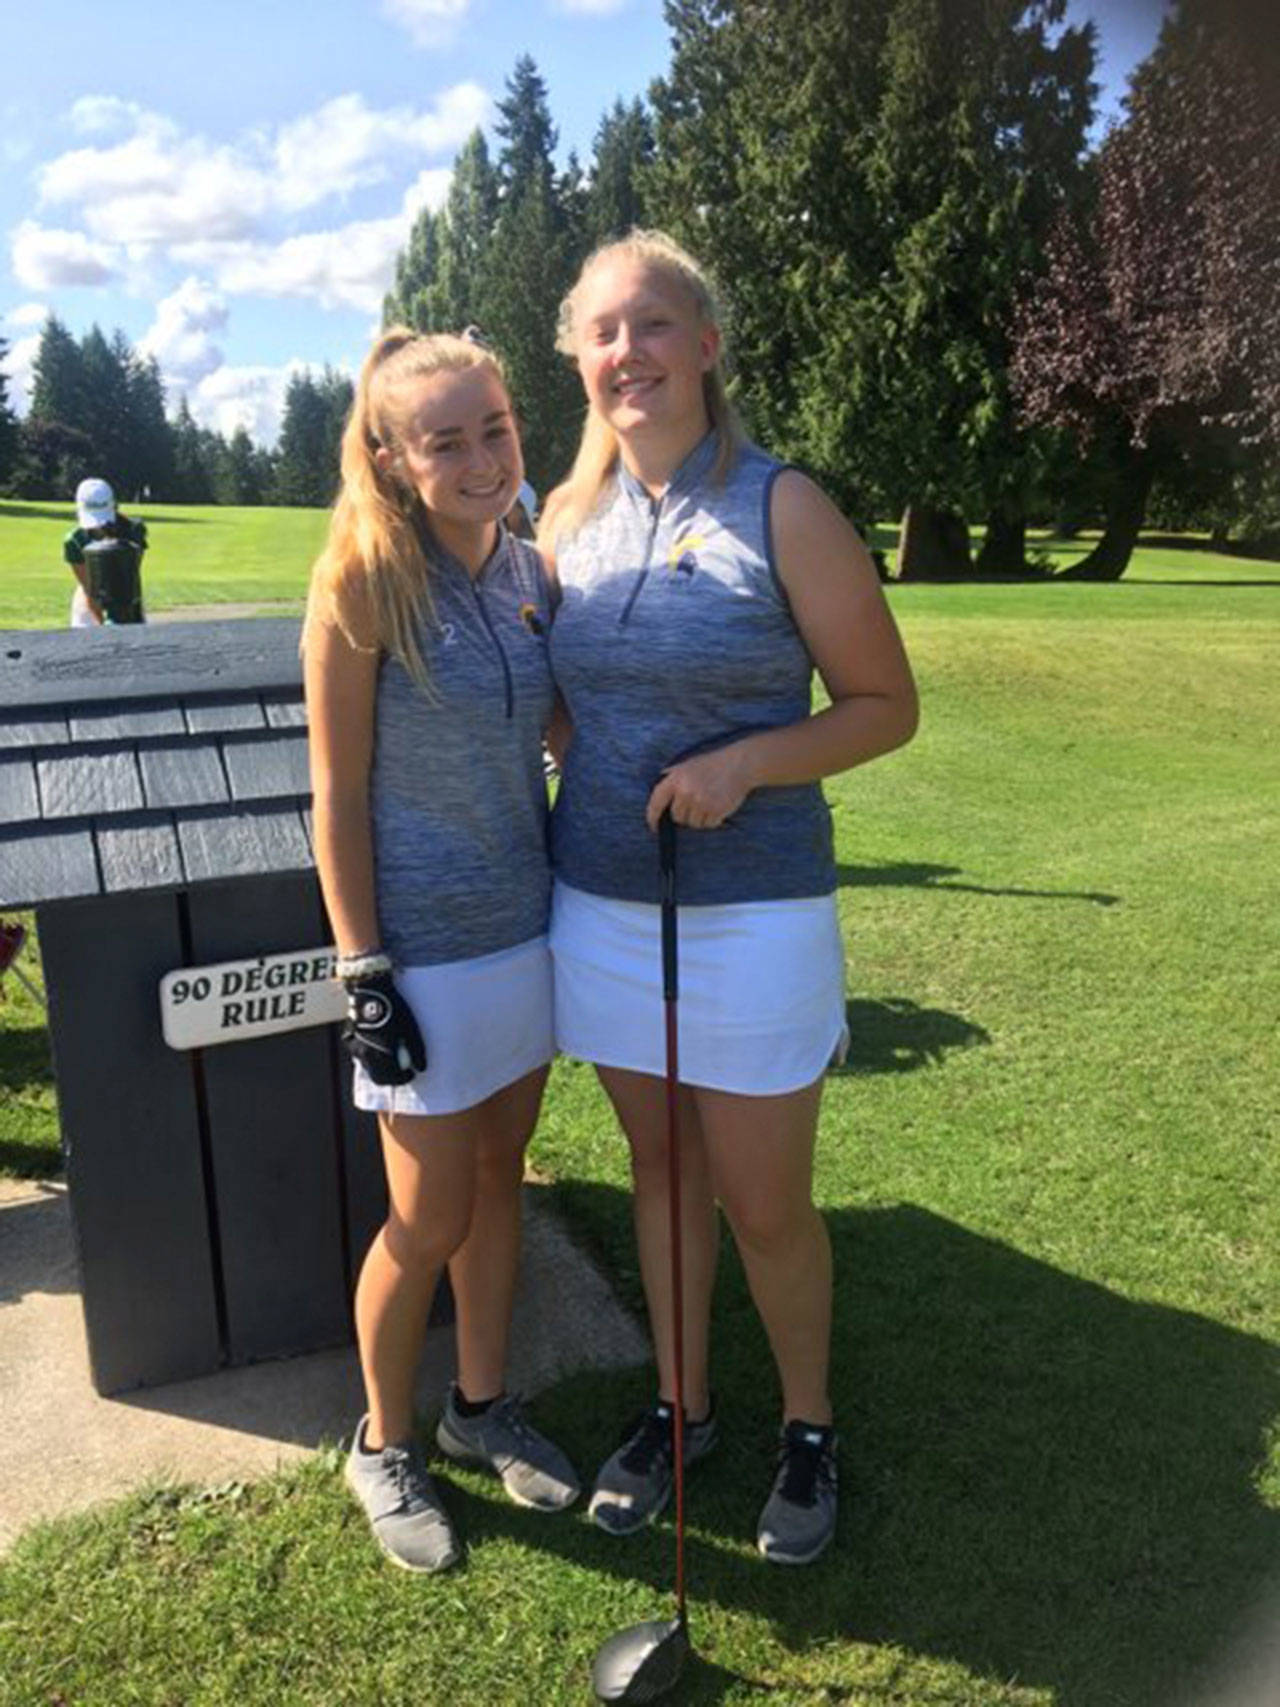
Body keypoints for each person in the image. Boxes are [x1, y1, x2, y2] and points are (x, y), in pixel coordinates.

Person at [540, 230, 919, 1566]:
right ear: (578, 361)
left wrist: (746, 761)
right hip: (602, 905)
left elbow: (884, 705)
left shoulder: (782, 504)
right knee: (662, 1172)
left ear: (704, 345)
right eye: (602, 332)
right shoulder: (564, 522)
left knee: (763, 1200)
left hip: (754, 914)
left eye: (653, 325)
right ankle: (681, 1405)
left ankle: (808, 1425)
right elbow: (559, 706)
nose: (627, 352)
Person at [303, 327, 578, 1575]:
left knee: (499, 1180)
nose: (481, 461)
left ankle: (479, 1405)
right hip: (418, 956)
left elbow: (565, 728)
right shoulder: (363, 583)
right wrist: (361, 970)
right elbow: (335, 795)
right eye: (447, 442)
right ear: (390, 458)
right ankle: (383, 1441)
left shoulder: (529, 570)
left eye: (496, 430)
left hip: (526, 931)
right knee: (425, 1216)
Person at [63, 478, 147, 626]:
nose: (99, 527)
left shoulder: (134, 531)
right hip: (89, 598)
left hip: (127, 592)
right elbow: (89, 589)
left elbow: (130, 576)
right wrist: (102, 625)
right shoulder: (74, 540)